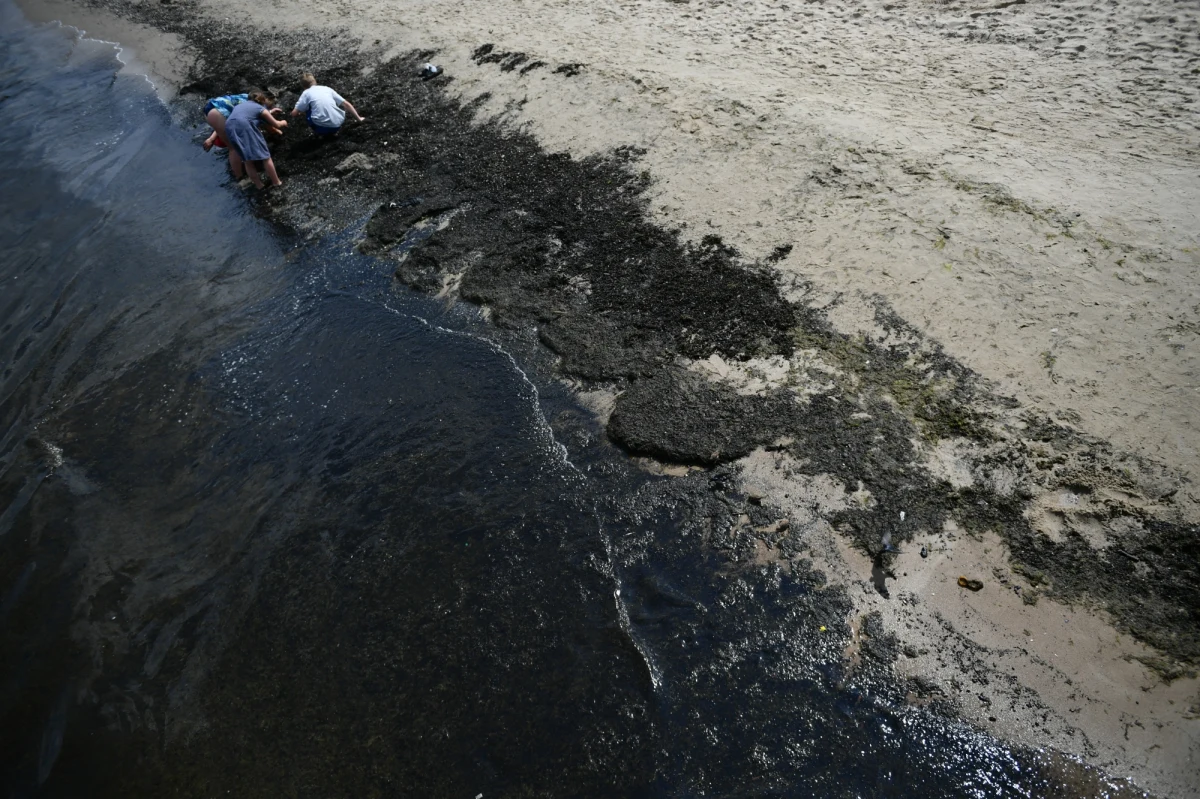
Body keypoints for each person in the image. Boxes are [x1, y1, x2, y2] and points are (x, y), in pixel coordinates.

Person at [224, 92, 288, 188]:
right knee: (266, 157)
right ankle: (276, 182)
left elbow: (249, 115)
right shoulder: (260, 108)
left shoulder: (240, 105)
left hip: (229, 126)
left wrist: (270, 112)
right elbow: (277, 124)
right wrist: (284, 122)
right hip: (243, 125)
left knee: (247, 160)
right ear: (262, 101)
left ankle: (259, 186)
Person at [290, 73, 365, 136]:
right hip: (339, 123)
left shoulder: (306, 93)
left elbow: (294, 114)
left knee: (308, 109)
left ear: (303, 86)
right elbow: (346, 104)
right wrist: (359, 119)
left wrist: (300, 112)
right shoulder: (327, 89)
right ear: (315, 81)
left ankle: (321, 134)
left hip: (323, 128)